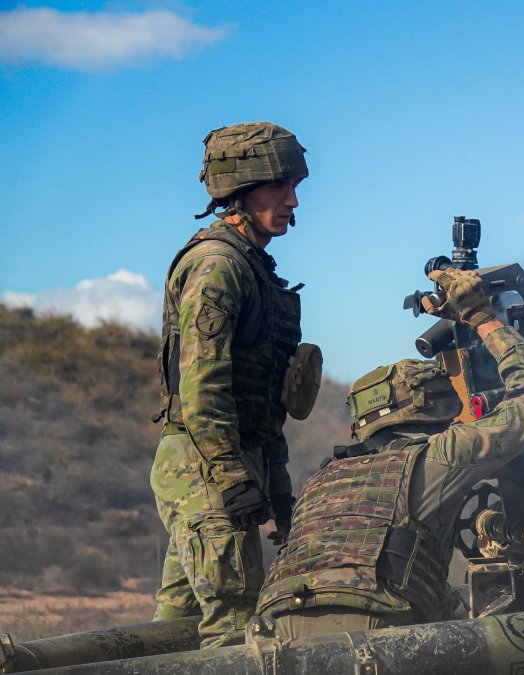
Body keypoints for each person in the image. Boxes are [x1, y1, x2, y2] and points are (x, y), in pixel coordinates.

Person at [256, 267, 524, 639]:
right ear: (433, 408)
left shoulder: (323, 478)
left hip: (275, 629)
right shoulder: (442, 453)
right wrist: (484, 321)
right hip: (375, 630)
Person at [151, 122, 322, 648]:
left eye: (296, 186)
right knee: (233, 631)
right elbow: (202, 386)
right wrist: (229, 476)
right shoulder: (218, 265)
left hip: (220, 464)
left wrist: (277, 492)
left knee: (175, 633)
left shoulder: (253, 268)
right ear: (240, 190)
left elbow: (261, 400)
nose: (293, 200)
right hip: (204, 467)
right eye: (279, 187)